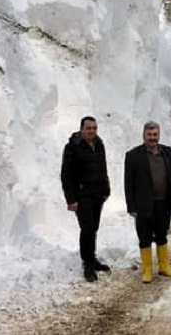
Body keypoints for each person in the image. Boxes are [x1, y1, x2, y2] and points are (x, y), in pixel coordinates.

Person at [124, 121, 171, 284]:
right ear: (144, 136)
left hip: (164, 202)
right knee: (145, 237)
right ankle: (147, 269)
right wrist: (131, 206)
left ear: (159, 135)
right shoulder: (133, 156)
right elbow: (128, 183)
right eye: (149, 135)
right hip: (144, 205)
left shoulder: (167, 152)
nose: (152, 138)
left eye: (155, 134)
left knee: (162, 235)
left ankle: (164, 266)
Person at [61, 116, 111, 282]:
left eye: (94, 128)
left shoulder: (99, 144)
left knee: (94, 227)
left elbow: (103, 168)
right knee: (87, 228)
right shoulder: (72, 147)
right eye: (88, 128)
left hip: (97, 194)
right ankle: (87, 263)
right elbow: (66, 175)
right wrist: (71, 200)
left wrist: (106, 189)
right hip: (82, 196)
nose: (91, 131)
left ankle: (92, 257)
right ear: (81, 129)